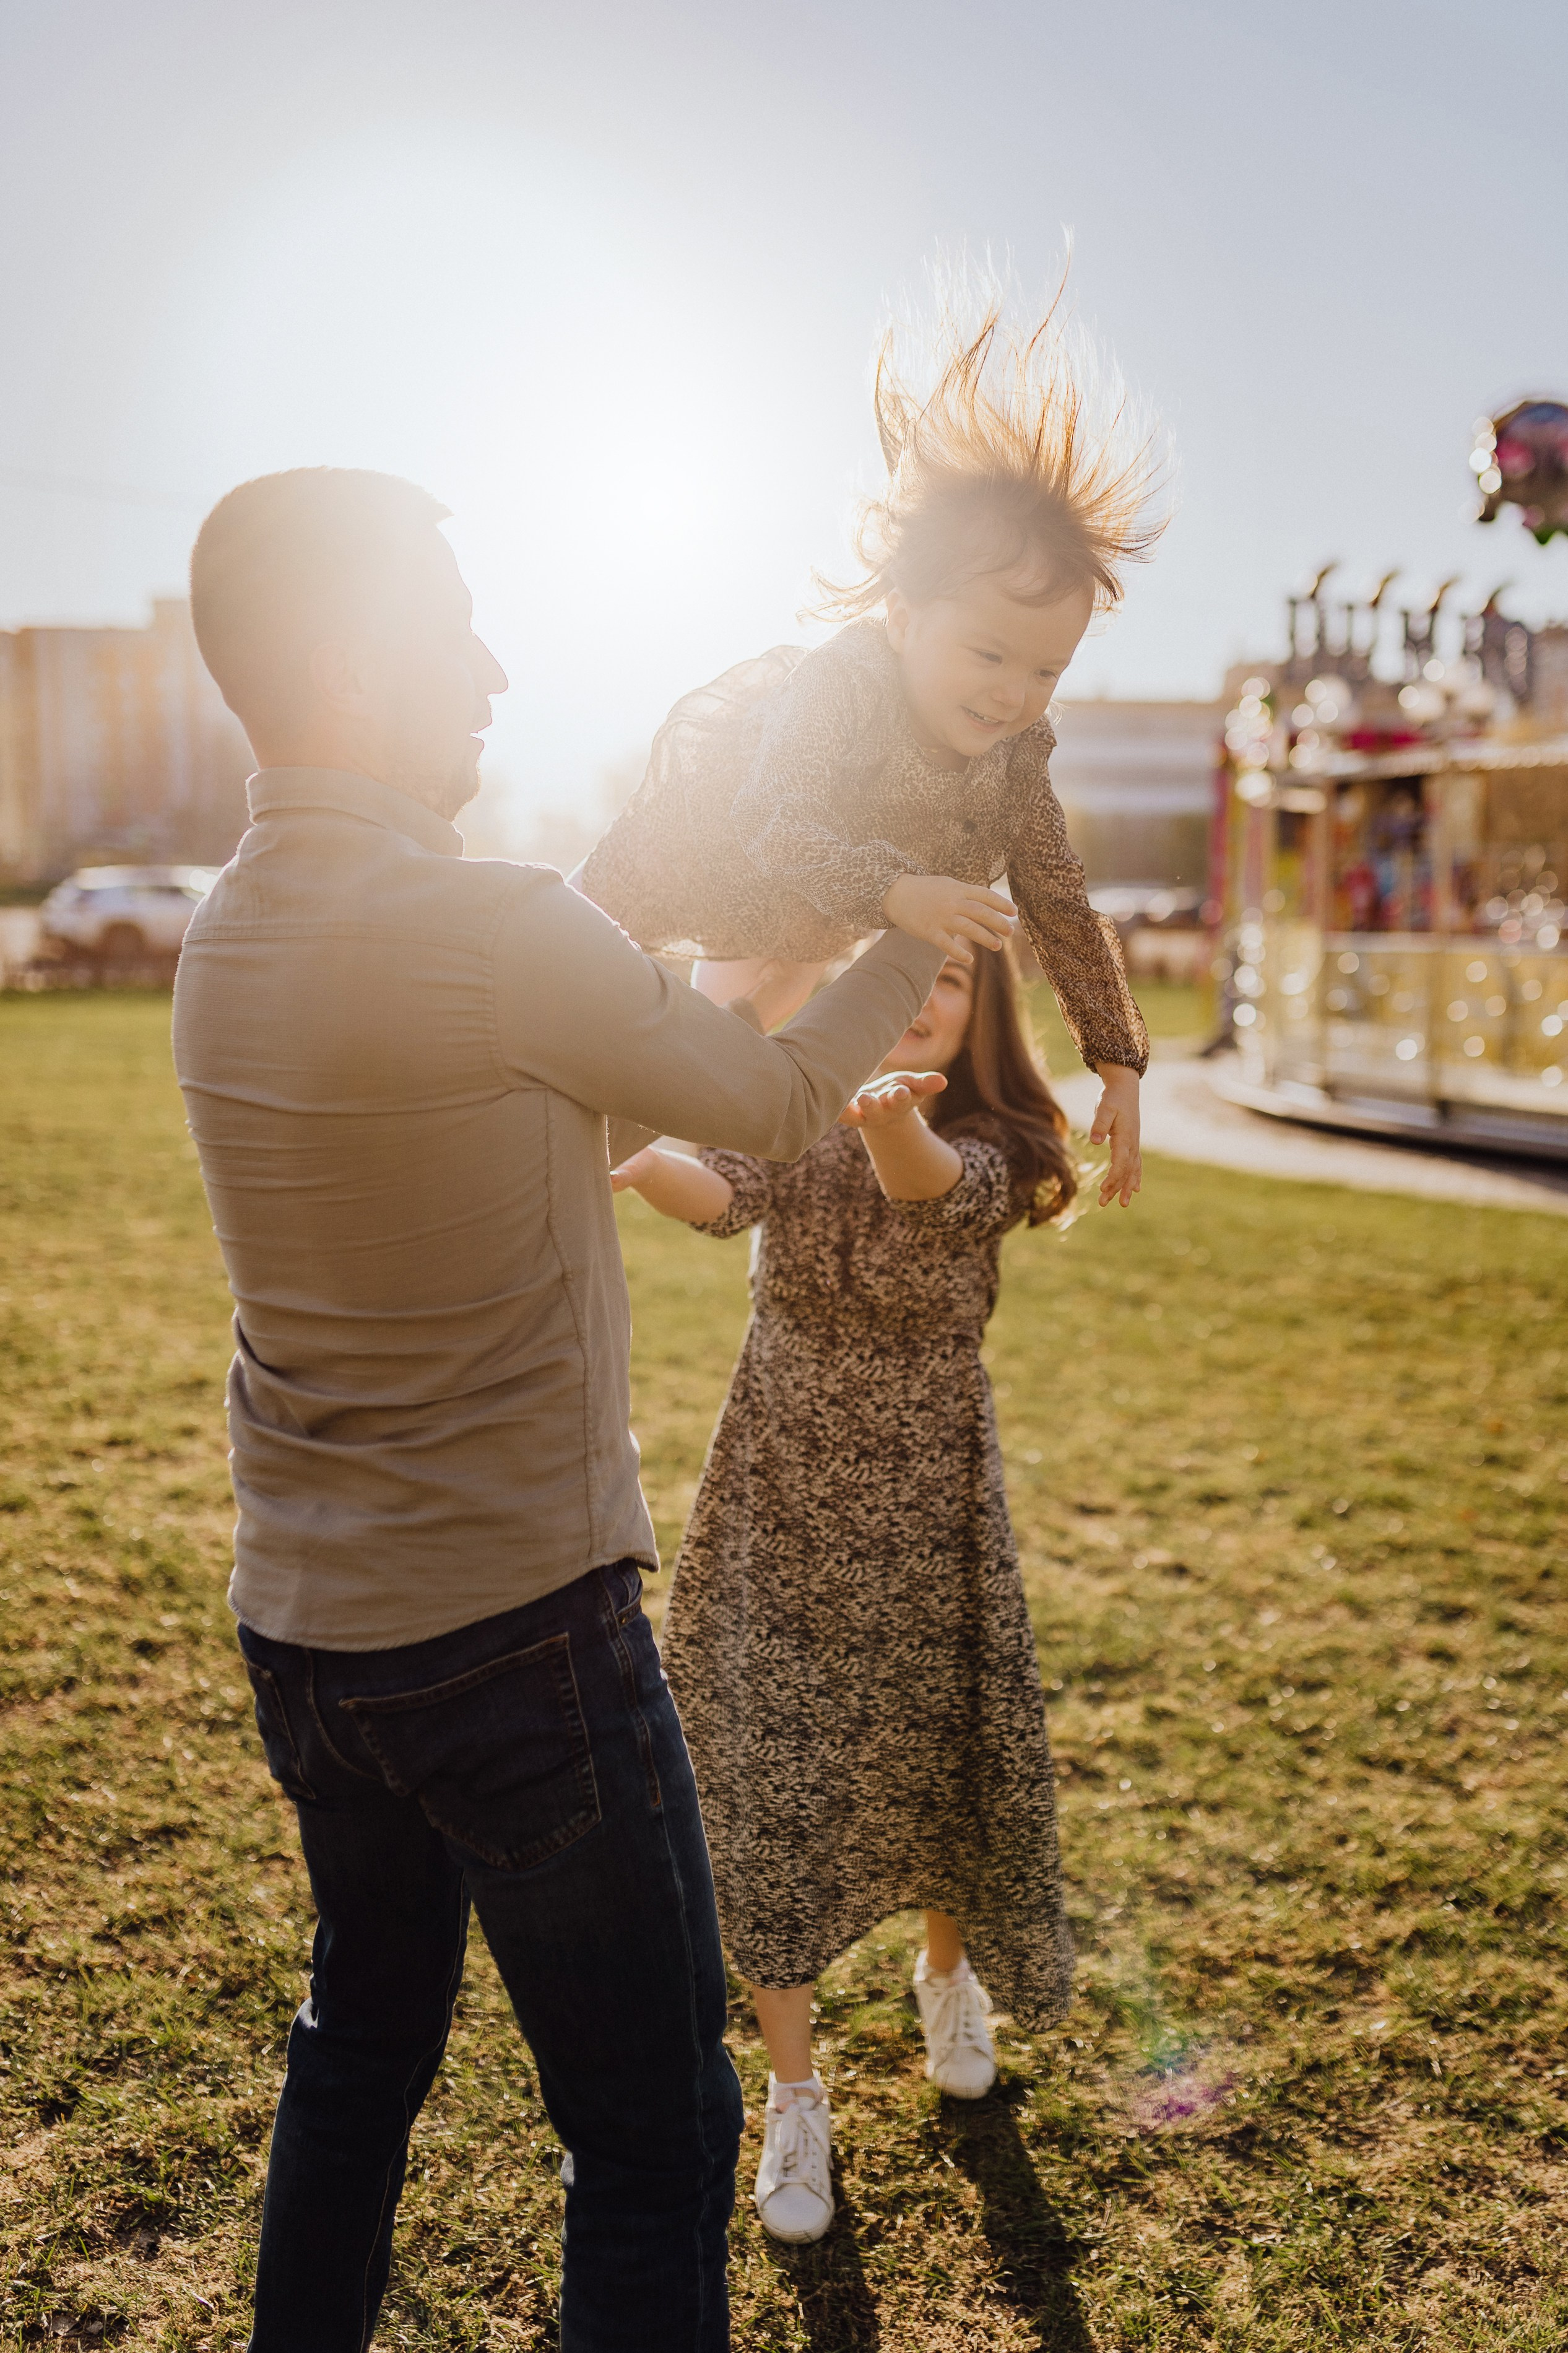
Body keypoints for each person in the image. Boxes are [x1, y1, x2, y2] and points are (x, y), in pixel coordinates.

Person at [170, 466, 945, 2352]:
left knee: (358, 2050)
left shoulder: (223, 944)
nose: (498, 668)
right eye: (453, 631)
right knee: (656, 2136)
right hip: (516, 1651)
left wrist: (735, 977)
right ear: (358, 662)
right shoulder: (492, 925)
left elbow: (562, 1100)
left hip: (311, 1650)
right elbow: (763, 1106)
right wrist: (922, 949)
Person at [612, 940, 1099, 2244]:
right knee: (769, 1782)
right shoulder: (791, 1102)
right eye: (893, 980)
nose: (912, 1004)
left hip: (926, 1498)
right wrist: (619, 1150)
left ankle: (948, 1984)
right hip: (777, 1484)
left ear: (981, 1011)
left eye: (939, 984)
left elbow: (932, 1190)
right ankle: (793, 2094)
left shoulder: (1007, 1139)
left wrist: (887, 1120)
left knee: (931, 1755)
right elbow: (717, 1195)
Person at [578, 290, 1163, 1203]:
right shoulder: (844, 682)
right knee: (630, 1010)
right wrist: (897, 889)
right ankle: (518, 1085)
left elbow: (1055, 891)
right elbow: (774, 821)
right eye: (987, 654)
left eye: (1046, 672)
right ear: (901, 616)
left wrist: (1117, 1061)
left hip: (808, 922)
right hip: (702, 862)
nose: (1013, 693)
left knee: (719, 1068)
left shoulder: (1015, 750)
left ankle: (583, 1155)